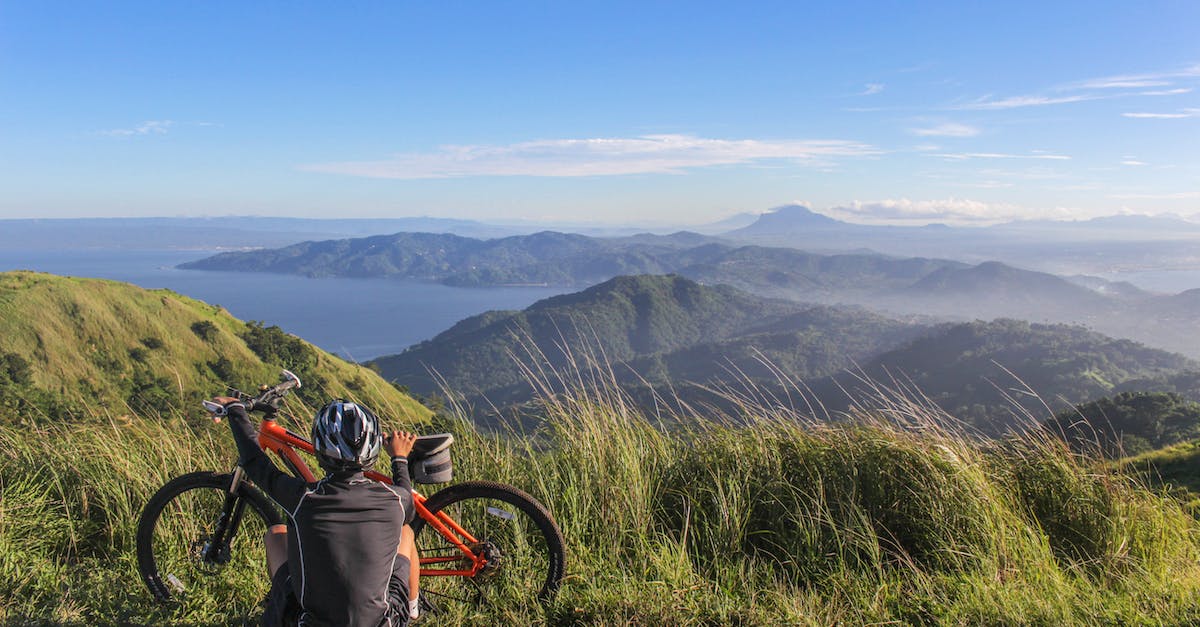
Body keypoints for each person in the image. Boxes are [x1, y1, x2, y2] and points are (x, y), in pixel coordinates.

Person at [214, 395, 422, 627]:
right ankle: (412, 610)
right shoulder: (396, 499)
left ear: (319, 451)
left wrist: (235, 409)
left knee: (276, 535)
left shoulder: (301, 499)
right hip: (381, 623)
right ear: (372, 451)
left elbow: (255, 463)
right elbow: (408, 500)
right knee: (406, 533)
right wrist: (399, 458)